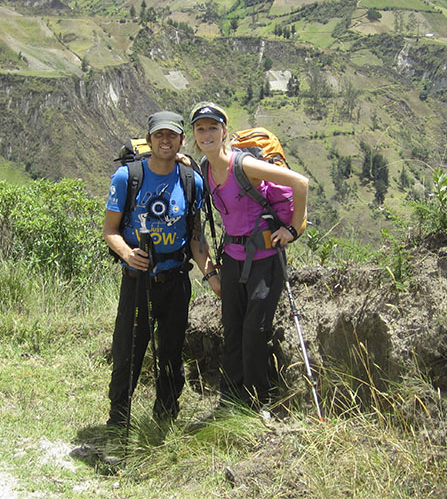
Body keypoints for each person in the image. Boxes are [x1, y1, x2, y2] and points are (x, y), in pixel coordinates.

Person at [102, 110, 220, 429]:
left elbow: (196, 237)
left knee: (170, 351)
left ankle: (166, 415)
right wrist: (128, 254)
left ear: (182, 140)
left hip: (176, 280)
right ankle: (119, 418)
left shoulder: (191, 181)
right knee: (129, 349)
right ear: (150, 139)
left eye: (172, 135)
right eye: (159, 135)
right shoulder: (128, 177)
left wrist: (212, 277)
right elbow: (110, 231)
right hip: (138, 279)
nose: (165, 140)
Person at [187, 101, 308, 409]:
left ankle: (258, 401)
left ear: (224, 131)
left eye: (213, 128)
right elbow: (197, 228)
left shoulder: (243, 166)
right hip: (231, 258)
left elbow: (299, 182)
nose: (207, 134)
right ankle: (231, 398)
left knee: (255, 330)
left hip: (265, 259)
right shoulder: (204, 170)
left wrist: (293, 230)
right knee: (232, 328)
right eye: (200, 129)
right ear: (194, 135)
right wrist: (211, 273)